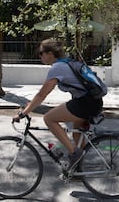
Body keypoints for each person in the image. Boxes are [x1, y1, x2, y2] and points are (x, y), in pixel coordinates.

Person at [13, 38, 103, 171]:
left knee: (49, 118)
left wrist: (23, 113)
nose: (39, 56)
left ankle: (74, 154)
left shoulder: (57, 68)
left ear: (50, 53)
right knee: (77, 135)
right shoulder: (67, 62)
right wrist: (30, 105)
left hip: (85, 103)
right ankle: (78, 171)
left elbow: (41, 95)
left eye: (41, 52)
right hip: (93, 102)